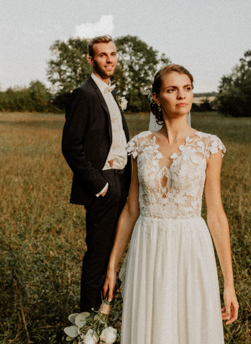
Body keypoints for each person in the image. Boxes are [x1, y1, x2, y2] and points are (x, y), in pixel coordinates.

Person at [103, 64, 239, 344]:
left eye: (187, 88)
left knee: (190, 324)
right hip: (148, 245)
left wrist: (229, 285)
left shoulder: (208, 146)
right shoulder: (140, 145)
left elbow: (215, 215)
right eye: (172, 89)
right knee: (150, 325)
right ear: (156, 97)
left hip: (190, 245)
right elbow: (130, 210)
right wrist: (113, 266)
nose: (182, 96)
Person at [62, 35, 131, 313]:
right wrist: (100, 186)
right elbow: (71, 146)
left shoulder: (110, 94)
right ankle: (88, 323)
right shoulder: (84, 94)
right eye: (103, 55)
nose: (110, 59)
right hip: (103, 184)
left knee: (117, 251)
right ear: (91, 60)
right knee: (98, 255)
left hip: (123, 180)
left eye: (113, 54)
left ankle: (106, 312)